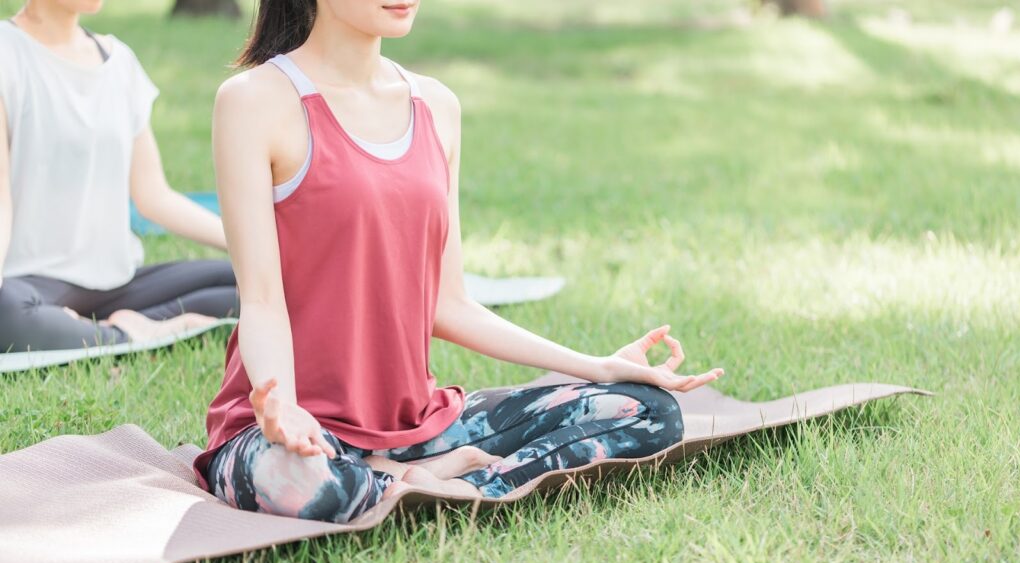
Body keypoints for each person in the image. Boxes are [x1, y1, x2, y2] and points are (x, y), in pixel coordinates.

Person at [194, 0, 725, 523]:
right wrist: (282, 405)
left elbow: (450, 305)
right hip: (285, 430)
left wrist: (599, 367)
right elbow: (262, 300)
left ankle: (430, 483)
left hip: (417, 427)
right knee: (300, 478)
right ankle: (417, 484)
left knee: (648, 412)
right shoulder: (253, 101)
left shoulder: (436, 105)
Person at [0, 0, 238, 354]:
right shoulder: (7, 54)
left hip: (118, 281)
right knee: (6, 313)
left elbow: (154, 196)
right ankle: (136, 335)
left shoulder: (119, 62)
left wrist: (253, 248)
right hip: (32, 286)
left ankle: (119, 326)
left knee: (257, 283)